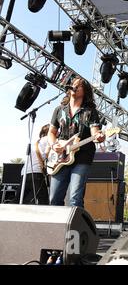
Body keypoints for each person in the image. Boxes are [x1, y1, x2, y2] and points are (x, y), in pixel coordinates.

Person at [47, 77, 105, 207]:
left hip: (82, 157)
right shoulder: (59, 110)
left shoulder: (90, 112)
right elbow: (51, 132)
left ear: (85, 92)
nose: (75, 87)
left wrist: (99, 136)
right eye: (73, 84)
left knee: (75, 198)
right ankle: (57, 227)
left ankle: (76, 227)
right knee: (54, 198)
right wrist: (53, 144)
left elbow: (95, 133)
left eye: (79, 86)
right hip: (60, 157)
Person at [16, 124, 51, 204]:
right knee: (43, 201)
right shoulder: (49, 139)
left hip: (25, 173)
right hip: (36, 173)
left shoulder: (37, 142)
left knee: (20, 200)